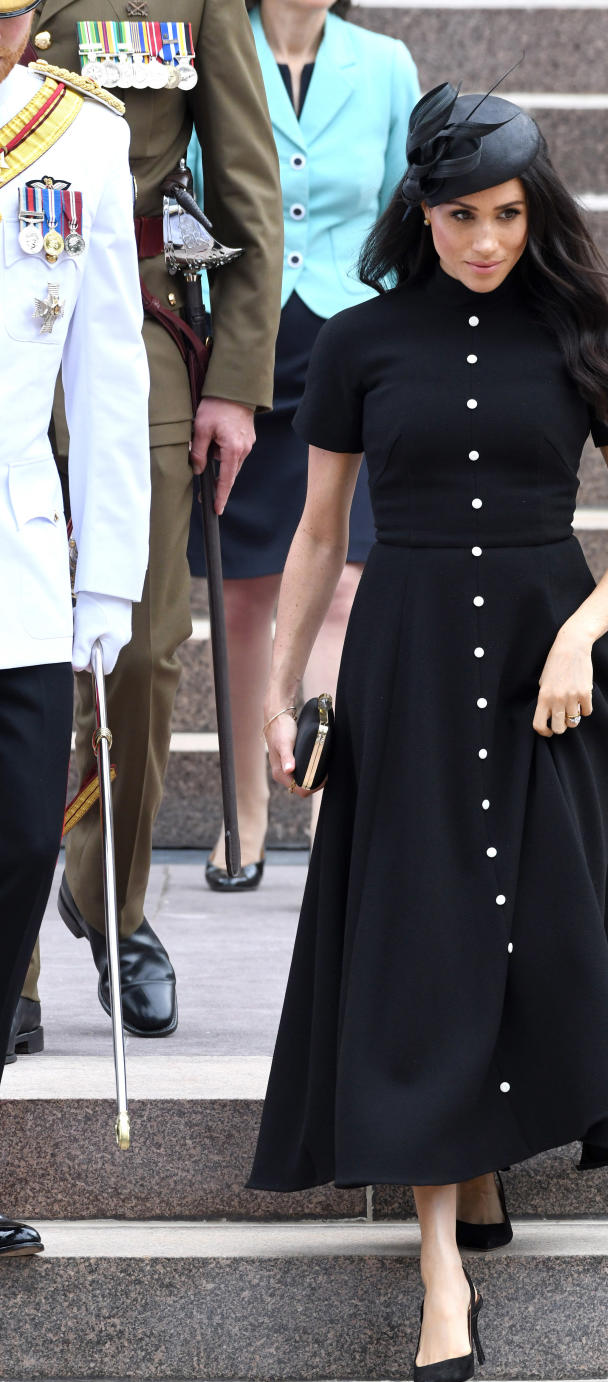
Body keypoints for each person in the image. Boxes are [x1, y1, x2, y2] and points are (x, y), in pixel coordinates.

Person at [250, 82, 608, 1382]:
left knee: (526, 921)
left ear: (535, 208)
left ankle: (491, 1150)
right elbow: (321, 536)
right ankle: (441, 1269)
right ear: (422, 213)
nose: (488, 240)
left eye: (508, 213)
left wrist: (579, 634)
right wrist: (285, 696)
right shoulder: (357, 344)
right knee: (425, 936)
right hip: (400, 666)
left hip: (547, 663)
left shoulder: (589, 331)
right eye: (461, 217)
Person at [10, 0, 283, 1054]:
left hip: (135, 335)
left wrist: (237, 382)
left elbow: (249, 185)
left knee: (143, 653)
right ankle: (11, 963)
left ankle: (110, 902)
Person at [187, 0, 419, 890]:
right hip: (243, 342)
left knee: (343, 590)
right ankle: (242, 814)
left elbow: (409, 207)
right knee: (244, 594)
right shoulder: (217, 41)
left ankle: (330, 807)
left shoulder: (385, 63)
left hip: (350, 342)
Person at [0, 0, 150, 1251]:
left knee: (10, 860)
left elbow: (108, 370)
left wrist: (111, 578)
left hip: (19, 567)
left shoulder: (80, 138)